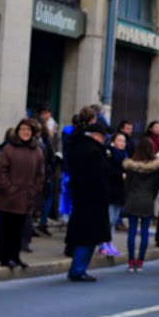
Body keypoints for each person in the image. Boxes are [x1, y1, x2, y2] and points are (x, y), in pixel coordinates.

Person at [65, 111, 112, 282]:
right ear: (96, 136)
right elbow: (99, 178)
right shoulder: (94, 152)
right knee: (88, 237)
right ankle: (78, 269)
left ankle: (77, 268)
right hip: (93, 201)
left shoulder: (77, 148)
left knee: (81, 235)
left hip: (80, 198)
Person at [0, 120, 45, 271]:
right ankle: (5, 257)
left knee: (19, 229)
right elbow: (0, 171)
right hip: (8, 197)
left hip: (26, 197)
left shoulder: (37, 151)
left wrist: (33, 191)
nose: (25, 132)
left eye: (28, 130)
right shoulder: (9, 149)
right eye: (22, 129)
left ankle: (15, 257)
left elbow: (40, 175)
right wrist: (9, 189)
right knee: (6, 229)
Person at [122, 139, 159, 272]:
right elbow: (156, 186)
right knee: (144, 232)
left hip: (133, 199)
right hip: (147, 200)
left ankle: (130, 260)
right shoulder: (155, 168)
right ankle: (140, 261)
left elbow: (127, 185)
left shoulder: (131, 166)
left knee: (132, 231)